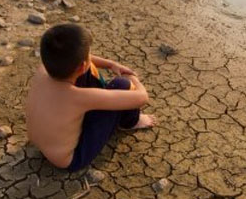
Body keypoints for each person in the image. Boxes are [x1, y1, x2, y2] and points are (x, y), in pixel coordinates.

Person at [25, 23, 156, 172]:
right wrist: (133, 78)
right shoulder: (79, 97)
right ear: (81, 65)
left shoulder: (43, 70)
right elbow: (142, 97)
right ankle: (131, 122)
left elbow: (83, 60)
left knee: (84, 69)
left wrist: (110, 64)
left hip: (42, 144)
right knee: (121, 84)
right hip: (72, 159)